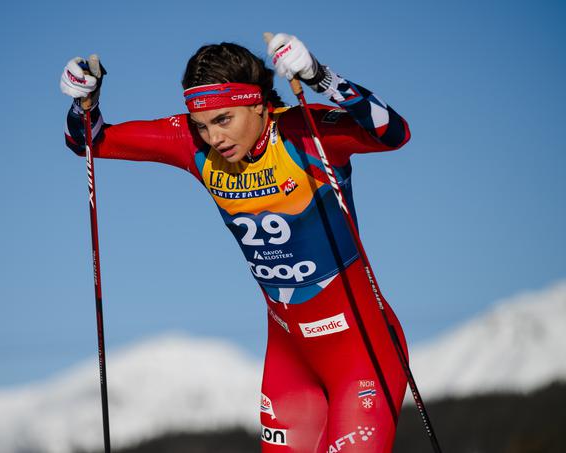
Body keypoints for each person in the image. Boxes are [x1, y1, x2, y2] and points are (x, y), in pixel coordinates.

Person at [60, 33, 411, 453]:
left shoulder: (304, 133)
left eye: (224, 119)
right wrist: (84, 104)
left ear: (260, 103)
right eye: (201, 125)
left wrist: (321, 77)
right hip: (289, 361)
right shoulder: (195, 148)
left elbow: (394, 133)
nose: (213, 138)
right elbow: (88, 141)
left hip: (362, 355)